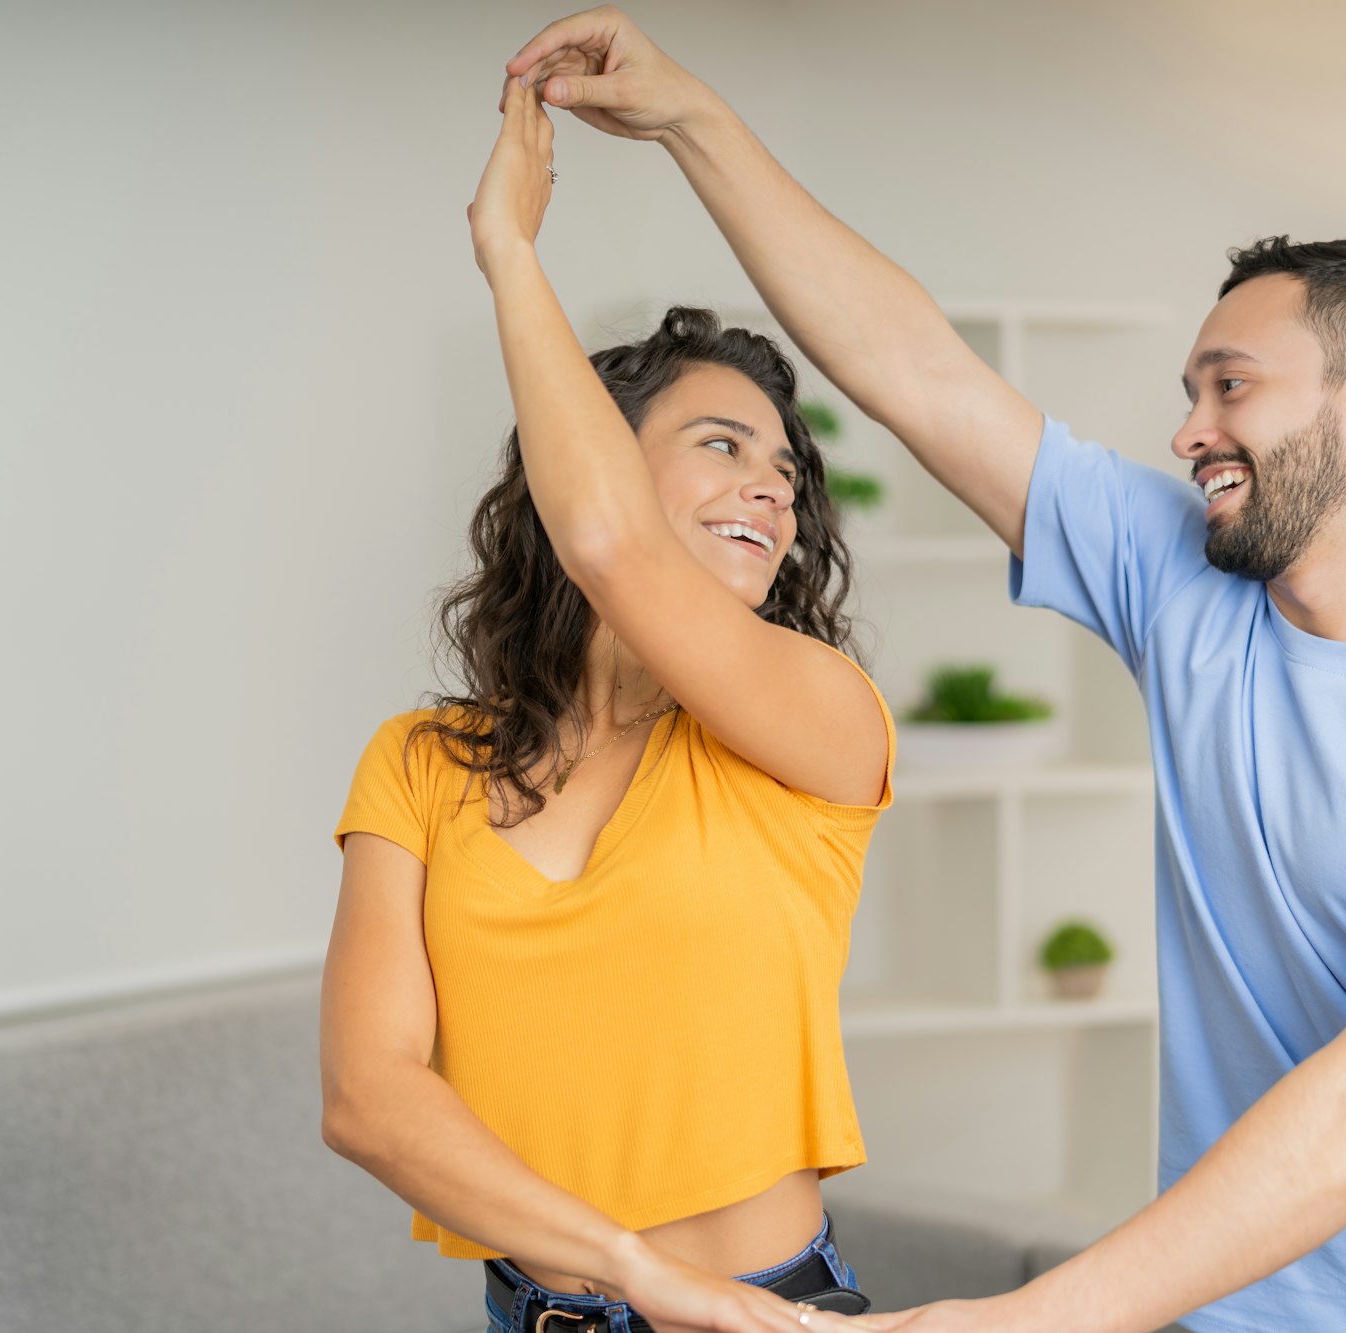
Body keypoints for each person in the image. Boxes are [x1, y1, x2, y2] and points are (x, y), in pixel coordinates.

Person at [499, 9, 1346, 1332]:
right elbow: (914, 371)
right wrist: (692, 119)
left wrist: (1015, 1321)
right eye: (1190, 390)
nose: (1187, 430)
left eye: (1231, 386)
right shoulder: (1184, 585)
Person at [320, 79, 898, 1333]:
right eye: (722, 445)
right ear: (587, 450)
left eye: (786, 472)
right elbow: (367, 1096)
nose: (773, 490)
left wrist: (508, 249)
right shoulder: (417, 764)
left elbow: (611, 548)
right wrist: (633, 1270)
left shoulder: (816, 720)